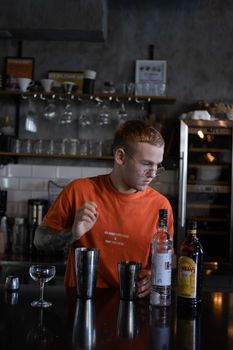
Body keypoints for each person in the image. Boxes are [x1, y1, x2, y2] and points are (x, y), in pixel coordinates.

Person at [34, 119, 174, 298]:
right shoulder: (79, 191)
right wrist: (73, 234)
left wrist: (153, 275)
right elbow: (39, 240)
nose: (153, 174)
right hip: (82, 303)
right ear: (120, 157)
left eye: (157, 165)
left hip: (133, 305)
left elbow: (166, 261)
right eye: (146, 164)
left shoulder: (161, 206)